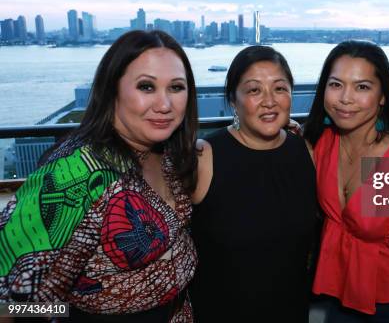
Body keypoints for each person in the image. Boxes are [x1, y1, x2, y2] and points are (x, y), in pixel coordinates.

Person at [0, 30, 199, 322]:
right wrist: (72, 315)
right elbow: (7, 305)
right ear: (112, 90)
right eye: (146, 87)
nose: (165, 105)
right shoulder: (78, 172)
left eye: (176, 87)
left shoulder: (166, 153)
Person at [304, 40, 389, 322]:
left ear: (382, 97)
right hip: (338, 296)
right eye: (336, 84)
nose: (345, 98)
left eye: (362, 87)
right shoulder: (319, 144)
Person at [189, 45, 318, 322]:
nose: (269, 101)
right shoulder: (204, 156)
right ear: (233, 101)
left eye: (280, 88)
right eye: (254, 90)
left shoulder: (306, 152)